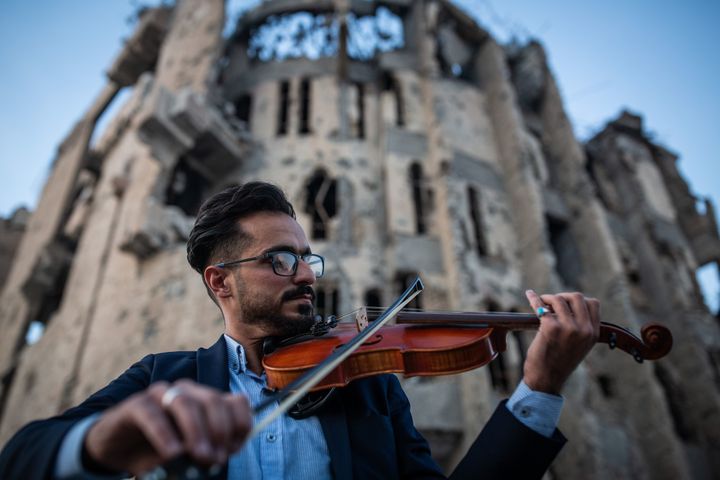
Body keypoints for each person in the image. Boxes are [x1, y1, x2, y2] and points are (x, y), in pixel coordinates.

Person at [0, 182, 599, 479]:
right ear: (221, 282)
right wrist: (102, 442)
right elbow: (21, 457)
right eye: (280, 260)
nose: (306, 276)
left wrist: (539, 387)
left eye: (307, 259)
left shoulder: (369, 389)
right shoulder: (166, 377)